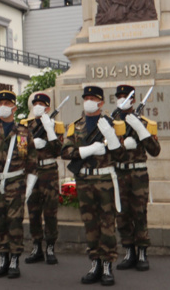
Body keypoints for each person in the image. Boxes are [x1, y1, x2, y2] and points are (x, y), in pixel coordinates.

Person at [61, 85, 126, 286]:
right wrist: (87, 150)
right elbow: (65, 151)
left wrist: (112, 137)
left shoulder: (113, 124)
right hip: (84, 180)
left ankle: (107, 265)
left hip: (104, 180)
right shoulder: (76, 125)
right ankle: (95, 263)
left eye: (92, 98)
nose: (88, 101)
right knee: (90, 224)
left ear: (101, 102)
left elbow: (121, 155)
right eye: (86, 97)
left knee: (107, 223)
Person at [0, 91, 37, 279]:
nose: (2, 107)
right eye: (0, 103)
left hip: (15, 182)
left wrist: (30, 183)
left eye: (7, 103)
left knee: (14, 221)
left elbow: (31, 160)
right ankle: (3, 258)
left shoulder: (23, 132)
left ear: (14, 108)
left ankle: (15, 258)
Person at [112, 85, 160, 272]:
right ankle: (129, 251)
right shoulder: (111, 122)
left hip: (138, 174)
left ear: (133, 100)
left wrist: (141, 131)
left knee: (139, 213)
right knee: (122, 214)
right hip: (119, 173)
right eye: (119, 96)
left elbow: (155, 150)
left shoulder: (145, 122)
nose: (122, 99)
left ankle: (142, 253)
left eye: (126, 97)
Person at [23, 93, 64, 265]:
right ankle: (37, 246)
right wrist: (32, 144)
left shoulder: (56, 125)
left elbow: (59, 151)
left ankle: (50, 247)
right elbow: (21, 150)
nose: (37, 106)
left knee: (50, 212)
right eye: (35, 103)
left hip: (48, 172)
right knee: (33, 211)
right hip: (32, 172)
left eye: (41, 104)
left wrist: (50, 132)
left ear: (47, 108)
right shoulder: (26, 126)